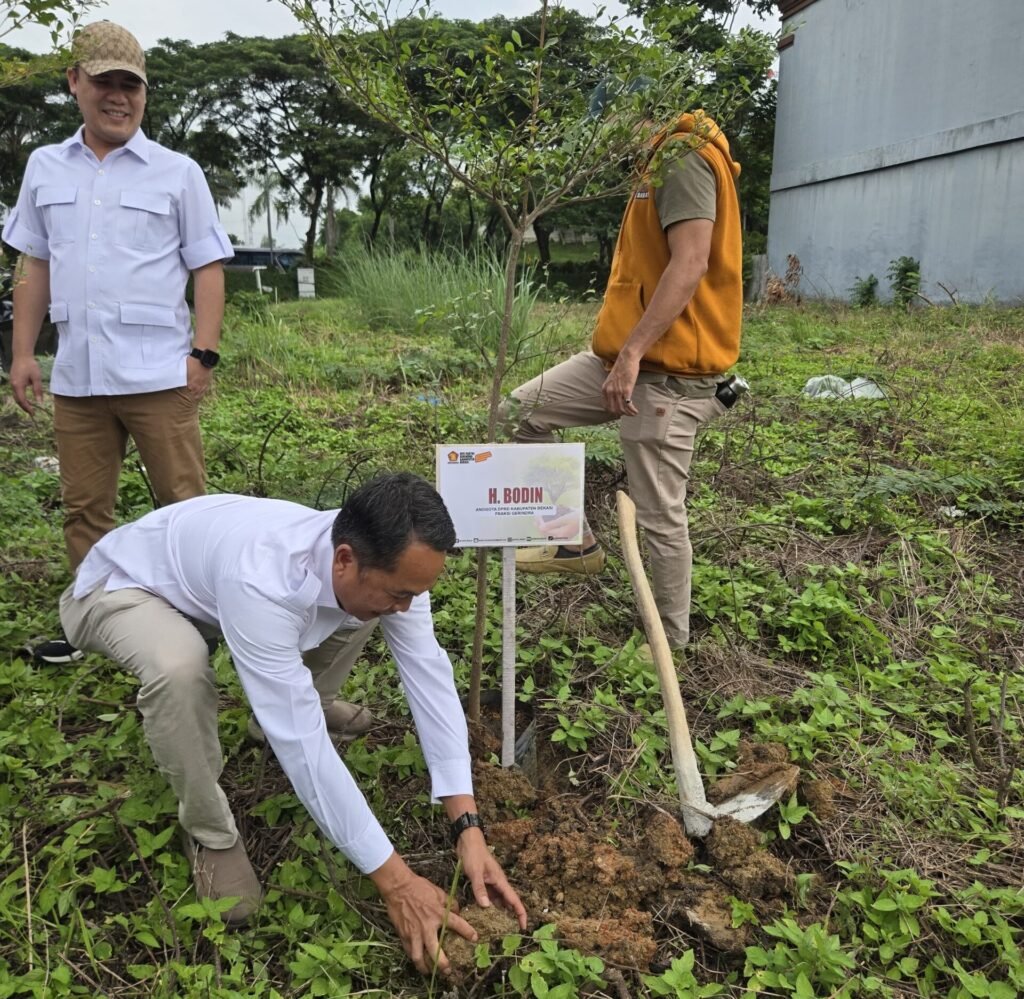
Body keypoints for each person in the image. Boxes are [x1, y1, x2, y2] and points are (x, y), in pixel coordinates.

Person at [59, 472, 528, 975]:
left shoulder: (390, 561)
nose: (408, 606)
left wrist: (467, 824)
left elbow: (428, 677)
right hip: (120, 589)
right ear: (344, 557)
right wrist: (397, 883)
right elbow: (305, 750)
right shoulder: (262, 578)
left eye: (416, 592)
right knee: (181, 667)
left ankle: (295, 702)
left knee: (368, 607)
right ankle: (209, 830)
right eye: (401, 592)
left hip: (210, 581)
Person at [2, 21, 232, 662]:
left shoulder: (176, 172)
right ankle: (93, 629)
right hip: (78, 377)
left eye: (130, 85)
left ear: (144, 94)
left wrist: (202, 356)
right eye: (104, 81)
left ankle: (204, 627)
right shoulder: (45, 167)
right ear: (75, 82)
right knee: (84, 513)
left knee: (184, 507)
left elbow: (207, 268)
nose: (118, 96)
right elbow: (34, 265)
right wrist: (23, 353)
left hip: (161, 375)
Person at [504, 109, 744, 652]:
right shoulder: (653, 164)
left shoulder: (682, 157)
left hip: (665, 377)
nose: (602, 138)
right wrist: (623, 355)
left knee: (659, 514)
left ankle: (671, 646)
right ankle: (564, 539)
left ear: (639, 113)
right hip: (616, 362)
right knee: (518, 413)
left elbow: (691, 263)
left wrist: (634, 352)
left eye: (607, 123)